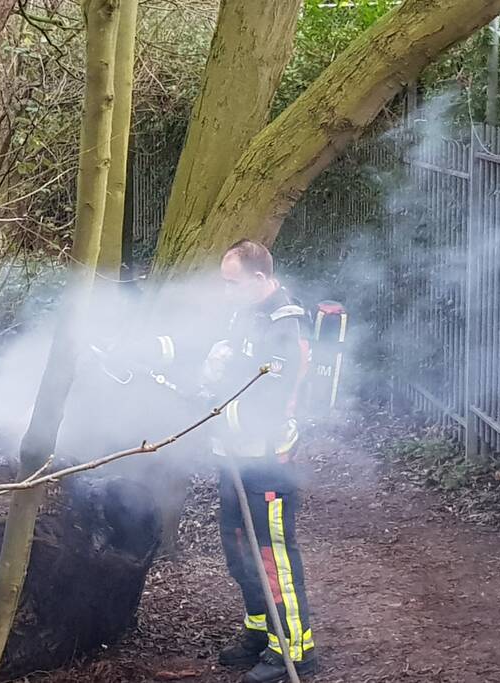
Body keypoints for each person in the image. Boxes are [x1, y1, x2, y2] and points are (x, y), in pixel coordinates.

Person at [203, 239, 317, 683]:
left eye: (232, 283)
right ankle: (260, 630)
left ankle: (295, 649)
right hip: (234, 458)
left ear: (257, 278)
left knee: (272, 558)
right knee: (238, 548)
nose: (226, 291)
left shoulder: (285, 327)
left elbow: (266, 401)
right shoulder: (245, 313)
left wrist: (218, 410)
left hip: (267, 461)